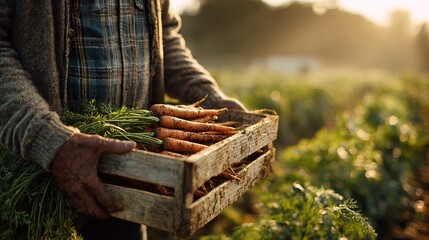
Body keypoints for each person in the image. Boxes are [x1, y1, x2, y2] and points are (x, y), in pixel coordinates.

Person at [0, 0, 246, 239]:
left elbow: (165, 37)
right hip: (43, 175)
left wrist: (206, 92)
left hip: (134, 177)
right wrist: (48, 141)